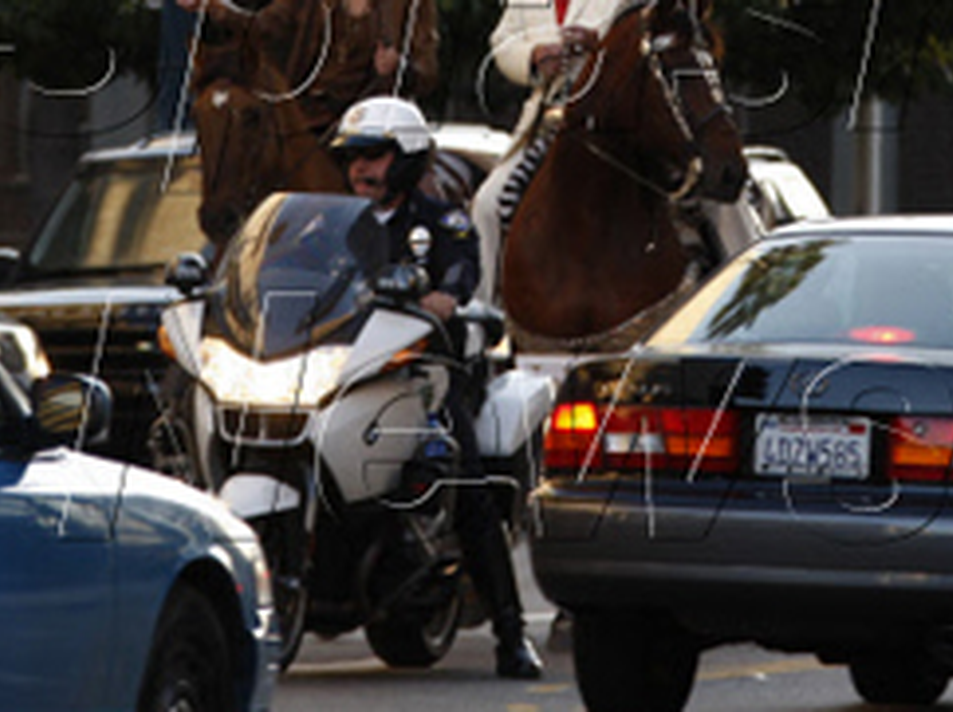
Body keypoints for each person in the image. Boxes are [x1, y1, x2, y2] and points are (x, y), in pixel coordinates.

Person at [331, 96, 544, 680]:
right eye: (352, 157)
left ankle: (510, 634)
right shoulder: (336, 226)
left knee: (465, 480)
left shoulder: (442, 222)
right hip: (345, 373)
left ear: (406, 159)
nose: (359, 168)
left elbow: (458, 277)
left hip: (426, 373)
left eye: (373, 155)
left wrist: (443, 296)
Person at [471, 0, 622, 304]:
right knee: (487, 205)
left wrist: (598, 45)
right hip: (546, 122)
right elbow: (503, 42)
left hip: (611, 123)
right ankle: (481, 312)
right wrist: (533, 57)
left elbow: (645, 38)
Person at [176, 0, 440, 135]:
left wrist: (399, 67)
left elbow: (428, 72)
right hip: (307, 120)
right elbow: (263, 28)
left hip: (374, 127)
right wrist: (211, 7)